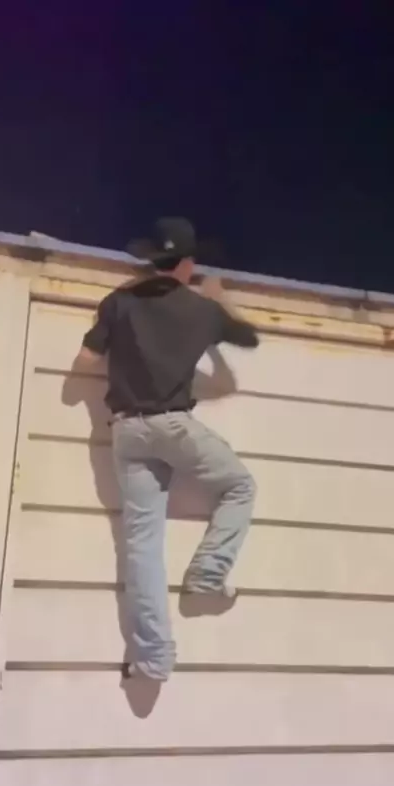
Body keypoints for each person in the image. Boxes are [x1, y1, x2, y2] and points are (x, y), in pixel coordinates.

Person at [78, 218, 259, 681]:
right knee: (240, 487)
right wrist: (218, 298)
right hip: (173, 425)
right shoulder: (202, 310)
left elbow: (86, 359)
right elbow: (248, 340)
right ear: (187, 263)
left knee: (142, 545)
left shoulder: (119, 302)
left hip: (127, 431)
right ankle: (207, 574)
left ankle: (154, 659)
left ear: (150, 259)